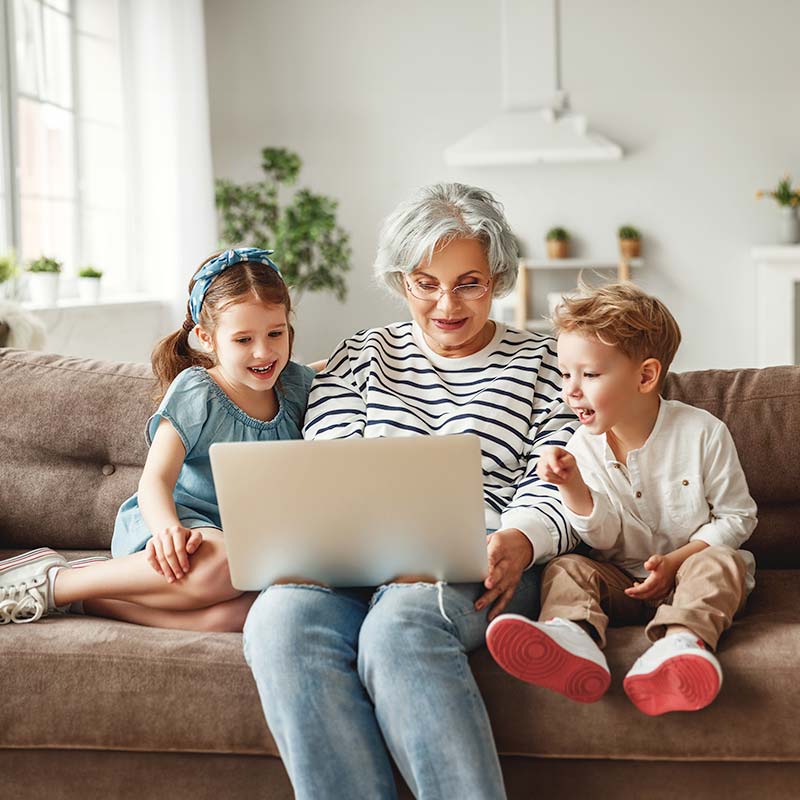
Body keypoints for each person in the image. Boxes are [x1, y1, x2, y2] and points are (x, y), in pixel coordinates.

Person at [242, 183, 580, 800]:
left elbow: (559, 476)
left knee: (398, 628)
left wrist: (521, 539)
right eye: (426, 283)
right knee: (277, 620)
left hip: (482, 560)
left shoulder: (547, 361)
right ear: (401, 281)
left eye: (469, 282)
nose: (447, 303)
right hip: (354, 563)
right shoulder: (360, 355)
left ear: (498, 277)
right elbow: (330, 465)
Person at [0, 248, 314, 631]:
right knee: (225, 564)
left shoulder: (296, 385)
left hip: (238, 545)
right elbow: (154, 482)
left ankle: (89, 600)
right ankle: (56, 582)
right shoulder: (198, 390)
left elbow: (348, 361)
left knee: (246, 613)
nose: (264, 351)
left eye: (275, 333)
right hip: (175, 525)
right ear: (207, 339)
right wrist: (167, 530)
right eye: (243, 339)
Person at [486, 282, 757, 716]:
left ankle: (680, 645)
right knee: (567, 567)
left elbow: (737, 517)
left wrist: (677, 561)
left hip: (690, 574)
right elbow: (604, 537)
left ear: (646, 376)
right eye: (565, 374)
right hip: (622, 582)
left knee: (723, 563)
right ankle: (573, 636)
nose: (570, 391)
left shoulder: (703, 432)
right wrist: (572, 486)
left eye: (589, 375)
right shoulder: (580, 446)